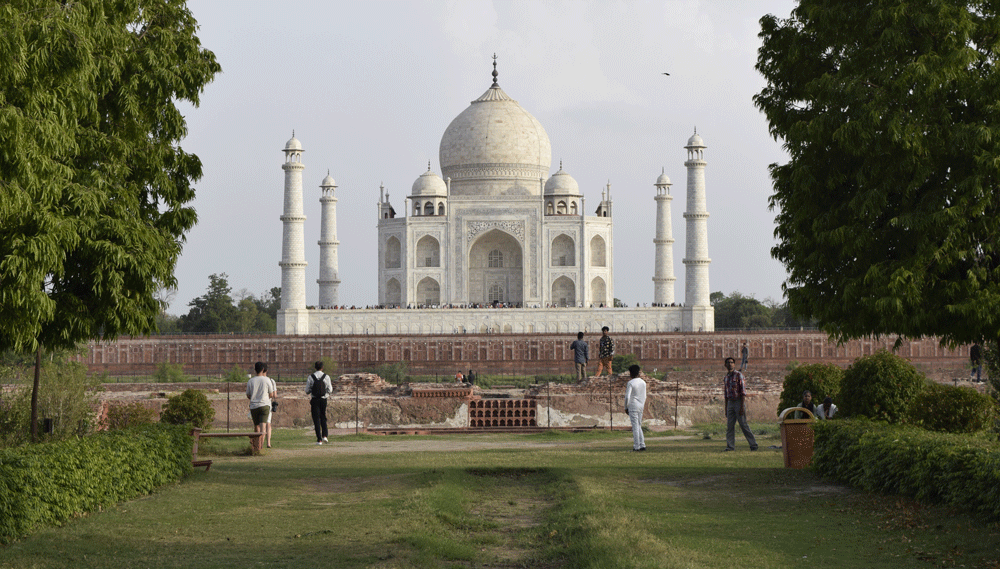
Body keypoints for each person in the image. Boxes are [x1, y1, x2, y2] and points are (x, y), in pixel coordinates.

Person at [723, 357, 758, 451]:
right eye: (728, 362)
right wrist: (726, 408)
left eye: (732, 362)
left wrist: (742, 406)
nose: (730, 364)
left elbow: (743, 392)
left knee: (743, 424)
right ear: (725, 365)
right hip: (730, 402)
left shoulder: (739, 375)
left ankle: (753, 444)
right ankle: (730, 446)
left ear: (734, 364)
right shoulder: (726, 377)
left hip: (738, 402)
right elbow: (726, 394)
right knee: (730, 426)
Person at [246, 362, 276, 449]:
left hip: (254, 406)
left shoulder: (251, 381)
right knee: (263, 427)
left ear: (255, 370)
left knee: (257, 427)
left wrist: (255, 397)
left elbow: (248, 395)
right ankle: (261, 447)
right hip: (264, 406)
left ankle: (257, 446)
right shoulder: (267, 380)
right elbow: (271, 394)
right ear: (263, 369)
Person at [306, 361, 332, 445]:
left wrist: (312, 390)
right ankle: (325, 436)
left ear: (315, 367)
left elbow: (307, 390)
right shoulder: (326, 377)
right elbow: (330, 389)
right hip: (323, 399)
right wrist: (325, 394)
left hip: (314, 400)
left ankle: (319, 439)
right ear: (322, 367)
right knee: (323, 417)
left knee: (316, 419)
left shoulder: (311, 377)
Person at [624, 364, 646, 451]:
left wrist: (626, 407)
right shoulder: (643, 382)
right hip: (641, 405)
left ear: (631, 373)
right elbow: (645, 396)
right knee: (638, 425)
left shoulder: (631, 383)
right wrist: (642, 404)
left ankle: (636, 446)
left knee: (635, 426)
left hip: (633, 405)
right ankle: (642, 444)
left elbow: (627, 397)